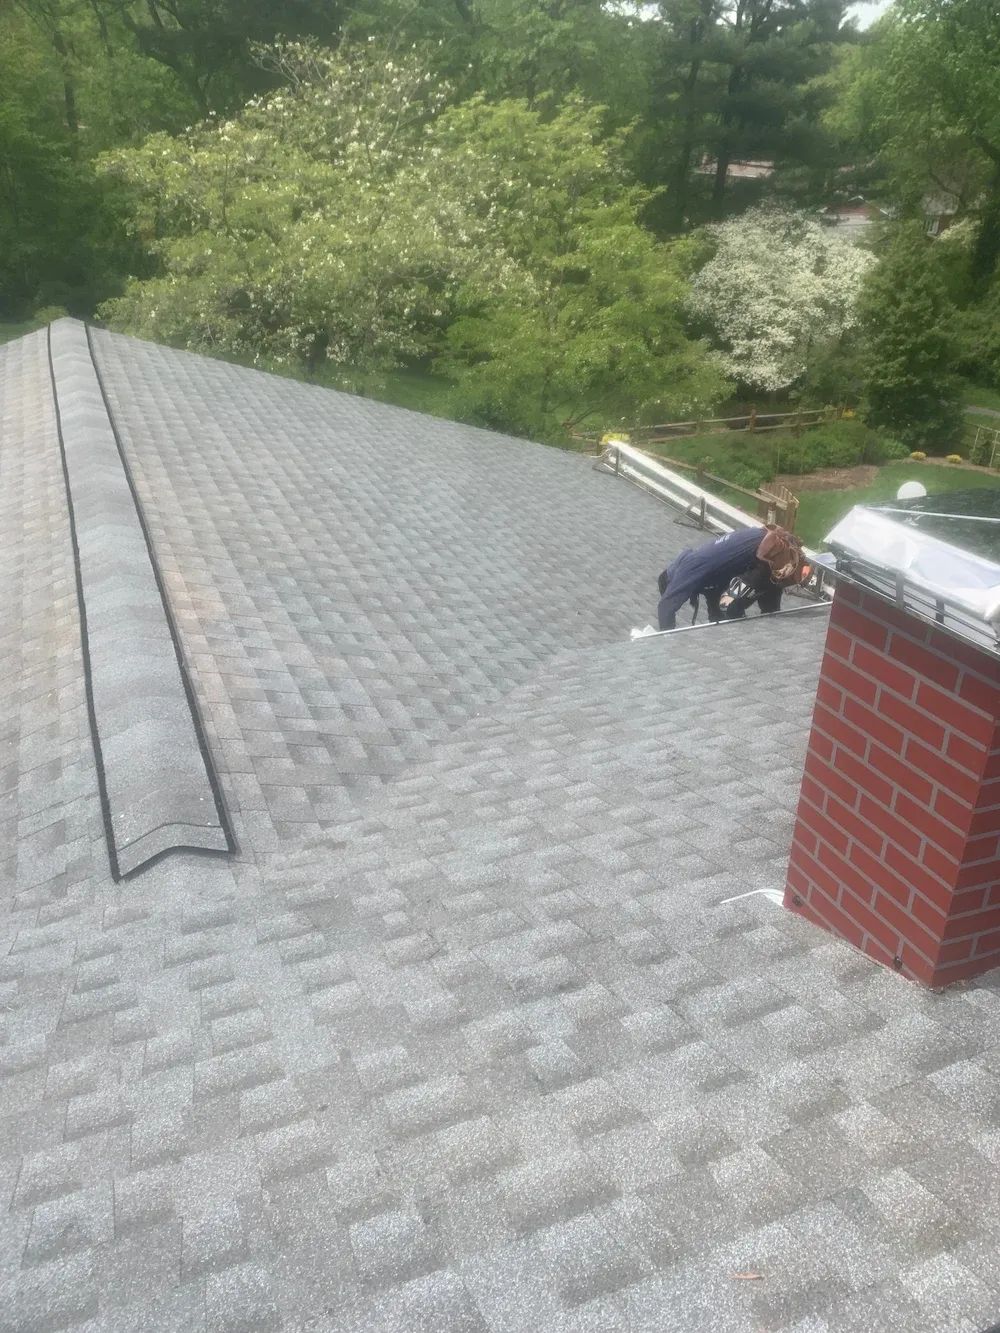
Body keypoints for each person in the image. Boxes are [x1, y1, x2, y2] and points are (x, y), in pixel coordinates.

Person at [656, 525, 809, 631]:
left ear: (671, 582)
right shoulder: (708, 565)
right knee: (726, 609)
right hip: (763, 554)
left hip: (765, 556)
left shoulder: (689, 568)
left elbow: (665, 607)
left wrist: (667, 639)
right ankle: (771, 616)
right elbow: (714, 595)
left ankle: (770, 618)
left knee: (730, 606)